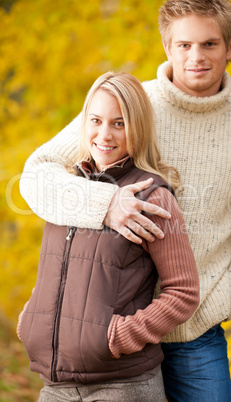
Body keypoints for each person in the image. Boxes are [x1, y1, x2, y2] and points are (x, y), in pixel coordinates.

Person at [19, 0, 231, 401]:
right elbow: (36, 172)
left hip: (195, 334)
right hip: (109, 338)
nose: (196, 57)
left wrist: (215, 305)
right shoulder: (130, 104)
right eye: (184, 44)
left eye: (209, 44)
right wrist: (105, 203)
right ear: (167, 45)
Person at [17, 72, 199, 402]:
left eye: (119, 123)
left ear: (138, 128)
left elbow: (184, 292)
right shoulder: (68, 190)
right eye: (96, 120)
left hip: (121, 386)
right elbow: (56, 270)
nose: (104, 134)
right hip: (54, 386)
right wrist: (31, 317)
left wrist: (117, 337)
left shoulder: (151, 197)